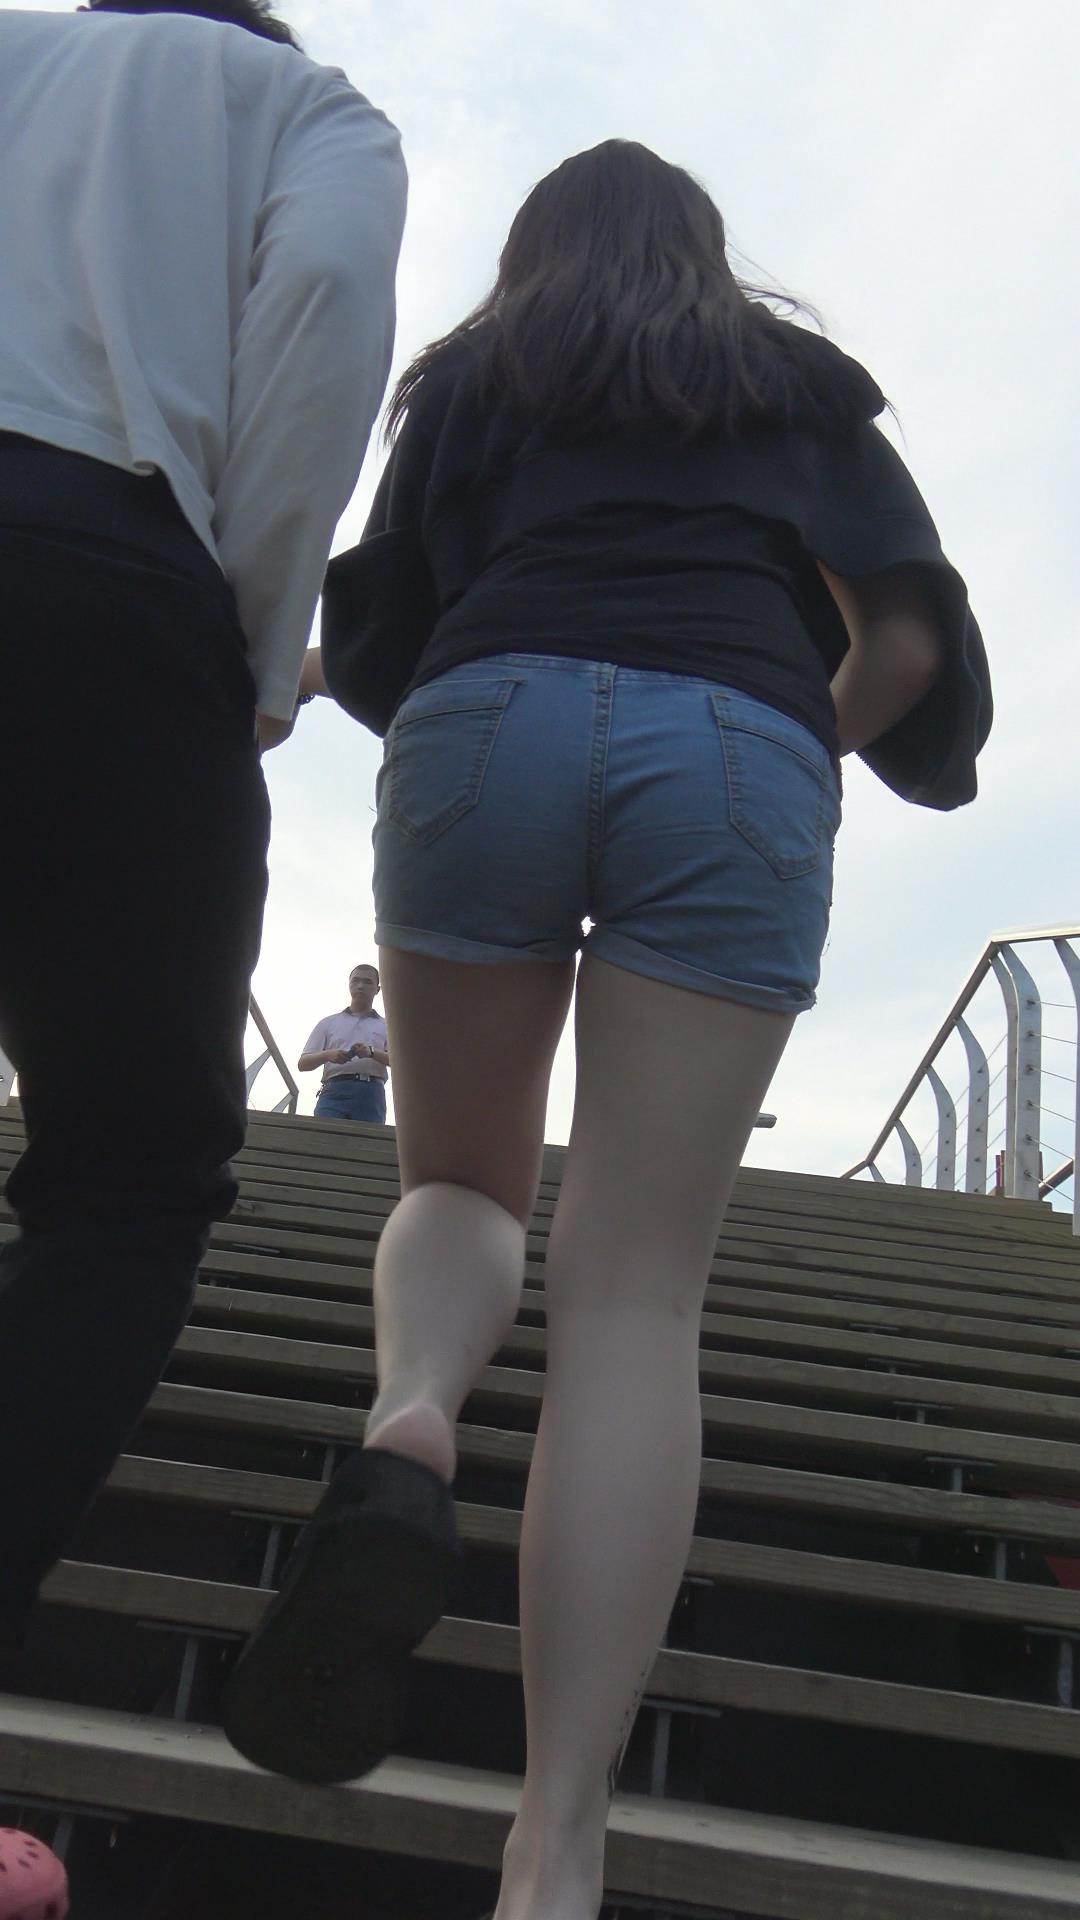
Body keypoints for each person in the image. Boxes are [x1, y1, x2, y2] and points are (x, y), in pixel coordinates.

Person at [225, 141, 990, 1920]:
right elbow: (900, 640)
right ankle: (555, 1844)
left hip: (489, 715)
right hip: (735, 739)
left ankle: (416, 1413)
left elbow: (388, 618)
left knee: (461, 1186)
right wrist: (778, 738)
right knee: (638, 1294)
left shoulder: (479, 378)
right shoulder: (794, 383)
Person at [0, 0, 406, 1648]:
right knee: (127, 1183)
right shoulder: (313, 108)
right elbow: (325, 302)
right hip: (117, 579)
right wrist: (250, 640)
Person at [299, 964, 391, 1124]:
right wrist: (328, 1055)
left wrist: (371, 1052)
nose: (360, 986)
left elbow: (400, 1062)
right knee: (325, 1136)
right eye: (355, 981)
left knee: (366, 1139)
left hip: (371, 1092)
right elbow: (303, 1064)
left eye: (367, 982)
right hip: (334, 1089)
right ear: (349, 984)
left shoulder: (387, 1026)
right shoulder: (328, 1023)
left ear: (377, 989)